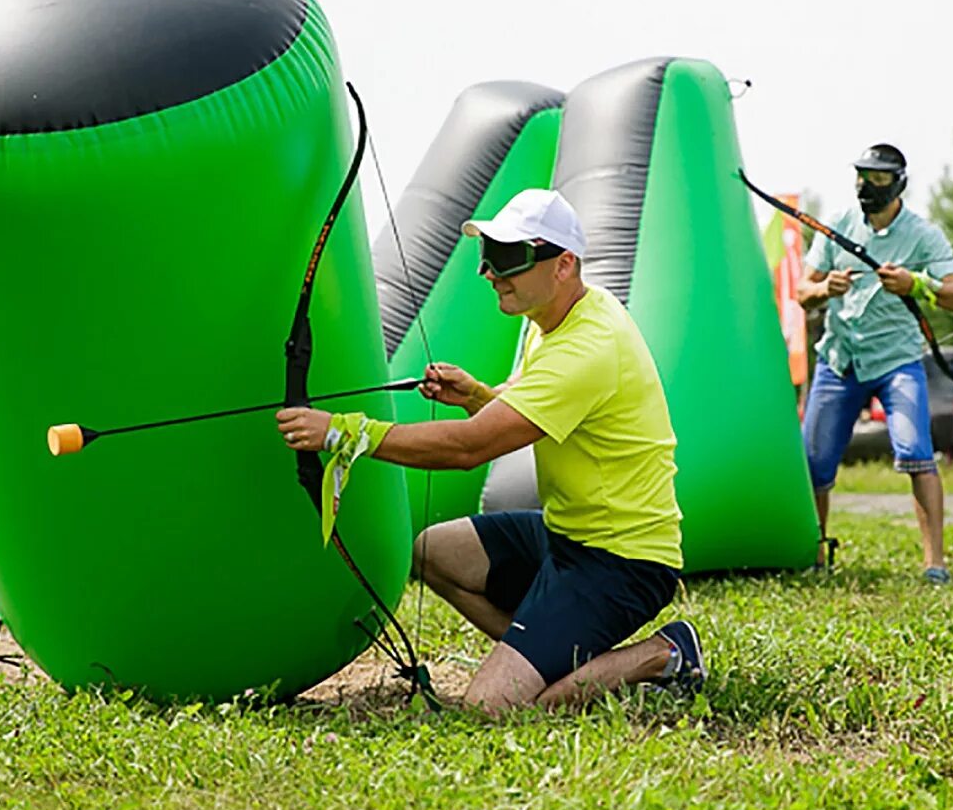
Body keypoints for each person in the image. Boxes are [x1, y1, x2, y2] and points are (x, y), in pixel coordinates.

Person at [274, 188, 701, 712]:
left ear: (564, 264)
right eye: (487, 256)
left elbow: (470, 449)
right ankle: (556, 656)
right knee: (435, 551)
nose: (488, 273)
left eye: (507, 258)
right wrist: (479, 396)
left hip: (622, 562)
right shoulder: (550, 318)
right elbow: (528, 404)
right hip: (565, 538)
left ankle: (664, 653)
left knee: (490, 708)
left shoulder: (589, 347)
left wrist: (345, 432)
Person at [798, 143, 953, 583]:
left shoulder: (923, 234)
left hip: (897, 362)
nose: (865, 186)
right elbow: (802, 290)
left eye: (876, 179)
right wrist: (825, 290)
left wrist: (915, 282)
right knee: (814, 463)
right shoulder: (838, 223)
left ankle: (935, 563)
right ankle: (816, 553)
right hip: (839, 362)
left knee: (917, 454)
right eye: (861, 176)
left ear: (898, 184)